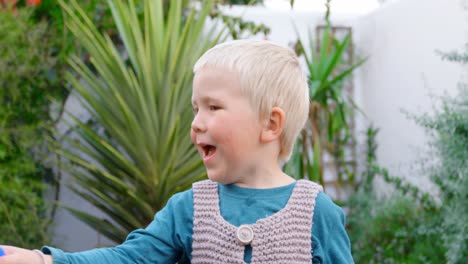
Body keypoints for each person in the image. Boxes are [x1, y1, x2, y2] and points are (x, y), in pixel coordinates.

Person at [0, 39, 354, 264]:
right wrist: (46, 261)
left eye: (213, 107)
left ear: (270, 125)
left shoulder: (317, 214)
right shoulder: (189, 209)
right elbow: (130, 259)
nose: (197, 122)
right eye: (195, 108)